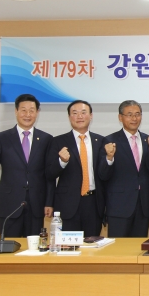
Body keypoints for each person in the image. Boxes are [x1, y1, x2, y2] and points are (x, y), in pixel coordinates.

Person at [0, 93, 53, 237]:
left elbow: (49, 174)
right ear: (16, 111)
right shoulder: (1, 138)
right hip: (9, 204)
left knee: (34, 246)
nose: (27, 115)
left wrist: (49, 202)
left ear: (37, 113)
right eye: (23, 110)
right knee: (8, 246)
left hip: (36, 204)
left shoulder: (46, 139)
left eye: (32, 111)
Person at [98, 100, 149, 237]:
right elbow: (103, 175)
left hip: (143, 206)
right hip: (119, 207)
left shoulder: (148, 140)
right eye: (129, 114)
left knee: (139, 247)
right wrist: (109, 158)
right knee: (118, 248)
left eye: (137, 114)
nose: (134, 118)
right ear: (120, 117)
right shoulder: (109, 141)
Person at [46, 100, 105, 237]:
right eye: (75, 113)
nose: (79, 116)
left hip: (93, 203)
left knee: (91, 244)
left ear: (91, 116)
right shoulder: (58, 141)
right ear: (69, 117)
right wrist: (62, 161)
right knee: (68, 246)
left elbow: (105, 174)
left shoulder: (101, 141)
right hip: (67, 204)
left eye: (83, 112)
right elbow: (49, 173)